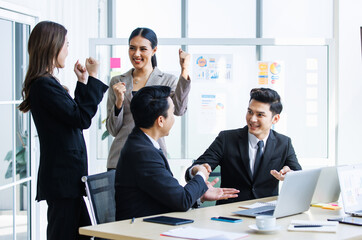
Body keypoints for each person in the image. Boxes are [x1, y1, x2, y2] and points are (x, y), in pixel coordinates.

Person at [18, 21, 108, 239]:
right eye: (66, 44)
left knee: (83, 233)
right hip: (63, 180)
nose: (68, 50)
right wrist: (93, 79)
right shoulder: (43, 85)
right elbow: (81, 118)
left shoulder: (48, 83)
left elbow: (74, 116)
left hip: (68, 180)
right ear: (53, 46)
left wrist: (84, 82)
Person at [114, 86, 239, 220]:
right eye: (172, 113)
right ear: (160, 120)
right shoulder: (143, 153)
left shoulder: (142, 143)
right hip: (142, 229)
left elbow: (171, 195)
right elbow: (182, 200)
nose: (174, 118)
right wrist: (202, 175)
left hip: (154, 222)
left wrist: (200, 195)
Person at [185, 88, 302, 205]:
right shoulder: (226, 139)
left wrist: (290, 175)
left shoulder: (284, 143)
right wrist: (196, 170)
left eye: (260, 115)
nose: (252, 119)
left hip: (267, 213)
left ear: (275, 119)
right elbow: (191, 172)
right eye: (250, 112)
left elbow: (300, 179)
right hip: (229, 214)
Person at [106, 27, 191, 170]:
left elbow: (179, 110)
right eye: (132, 48)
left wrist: (184, 70)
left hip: (152, 159)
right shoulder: (117, 82)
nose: (136, 54)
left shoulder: (167, 80)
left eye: (143, 49)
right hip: (120, 160)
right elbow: (113, 130)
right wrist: (119, 102)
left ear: (154, 50)